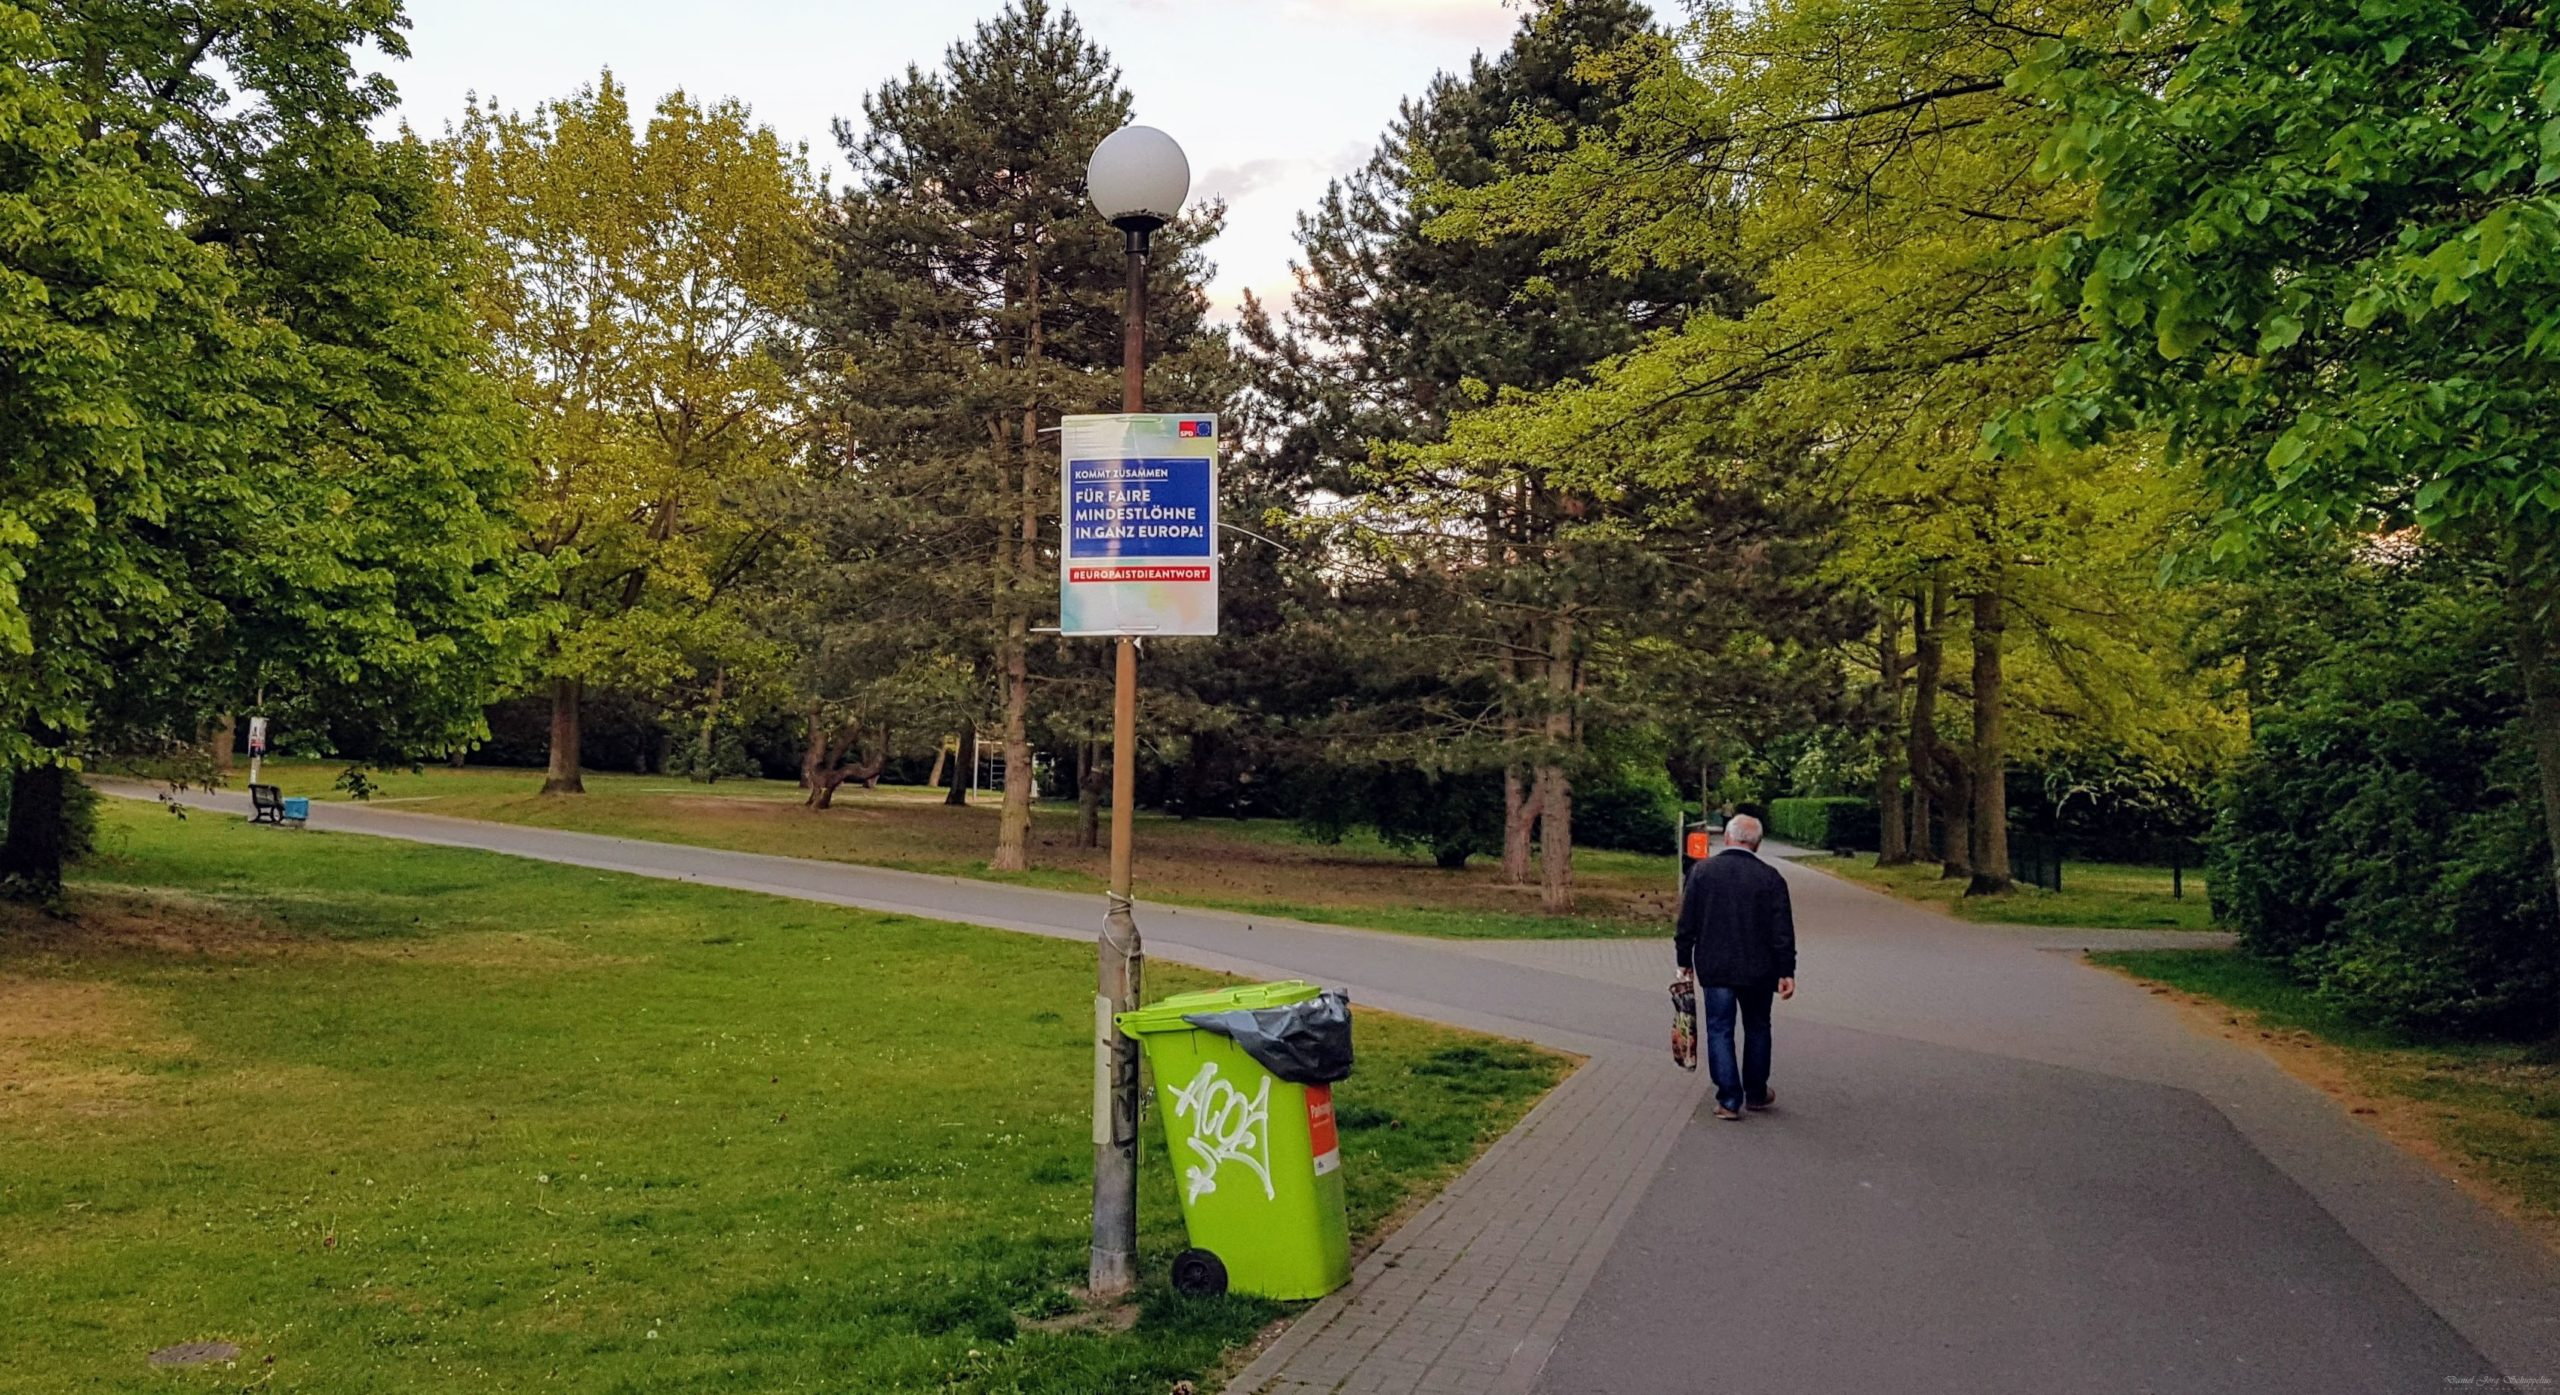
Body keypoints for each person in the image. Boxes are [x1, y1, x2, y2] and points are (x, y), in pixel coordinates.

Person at [1673, 812, 1797, 1121]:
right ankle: (1755, 1092)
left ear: (1727, 837)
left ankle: (1728, 1099)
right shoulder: (1771, 878)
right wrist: (1786, 970)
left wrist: (1683, 961)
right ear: (1757, 844)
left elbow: (1687, 922)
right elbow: (1782, 930)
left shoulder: (1702, 873)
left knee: (1719, 1028)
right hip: (1760, 969)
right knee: (1758, 1027)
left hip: (1715, 966)